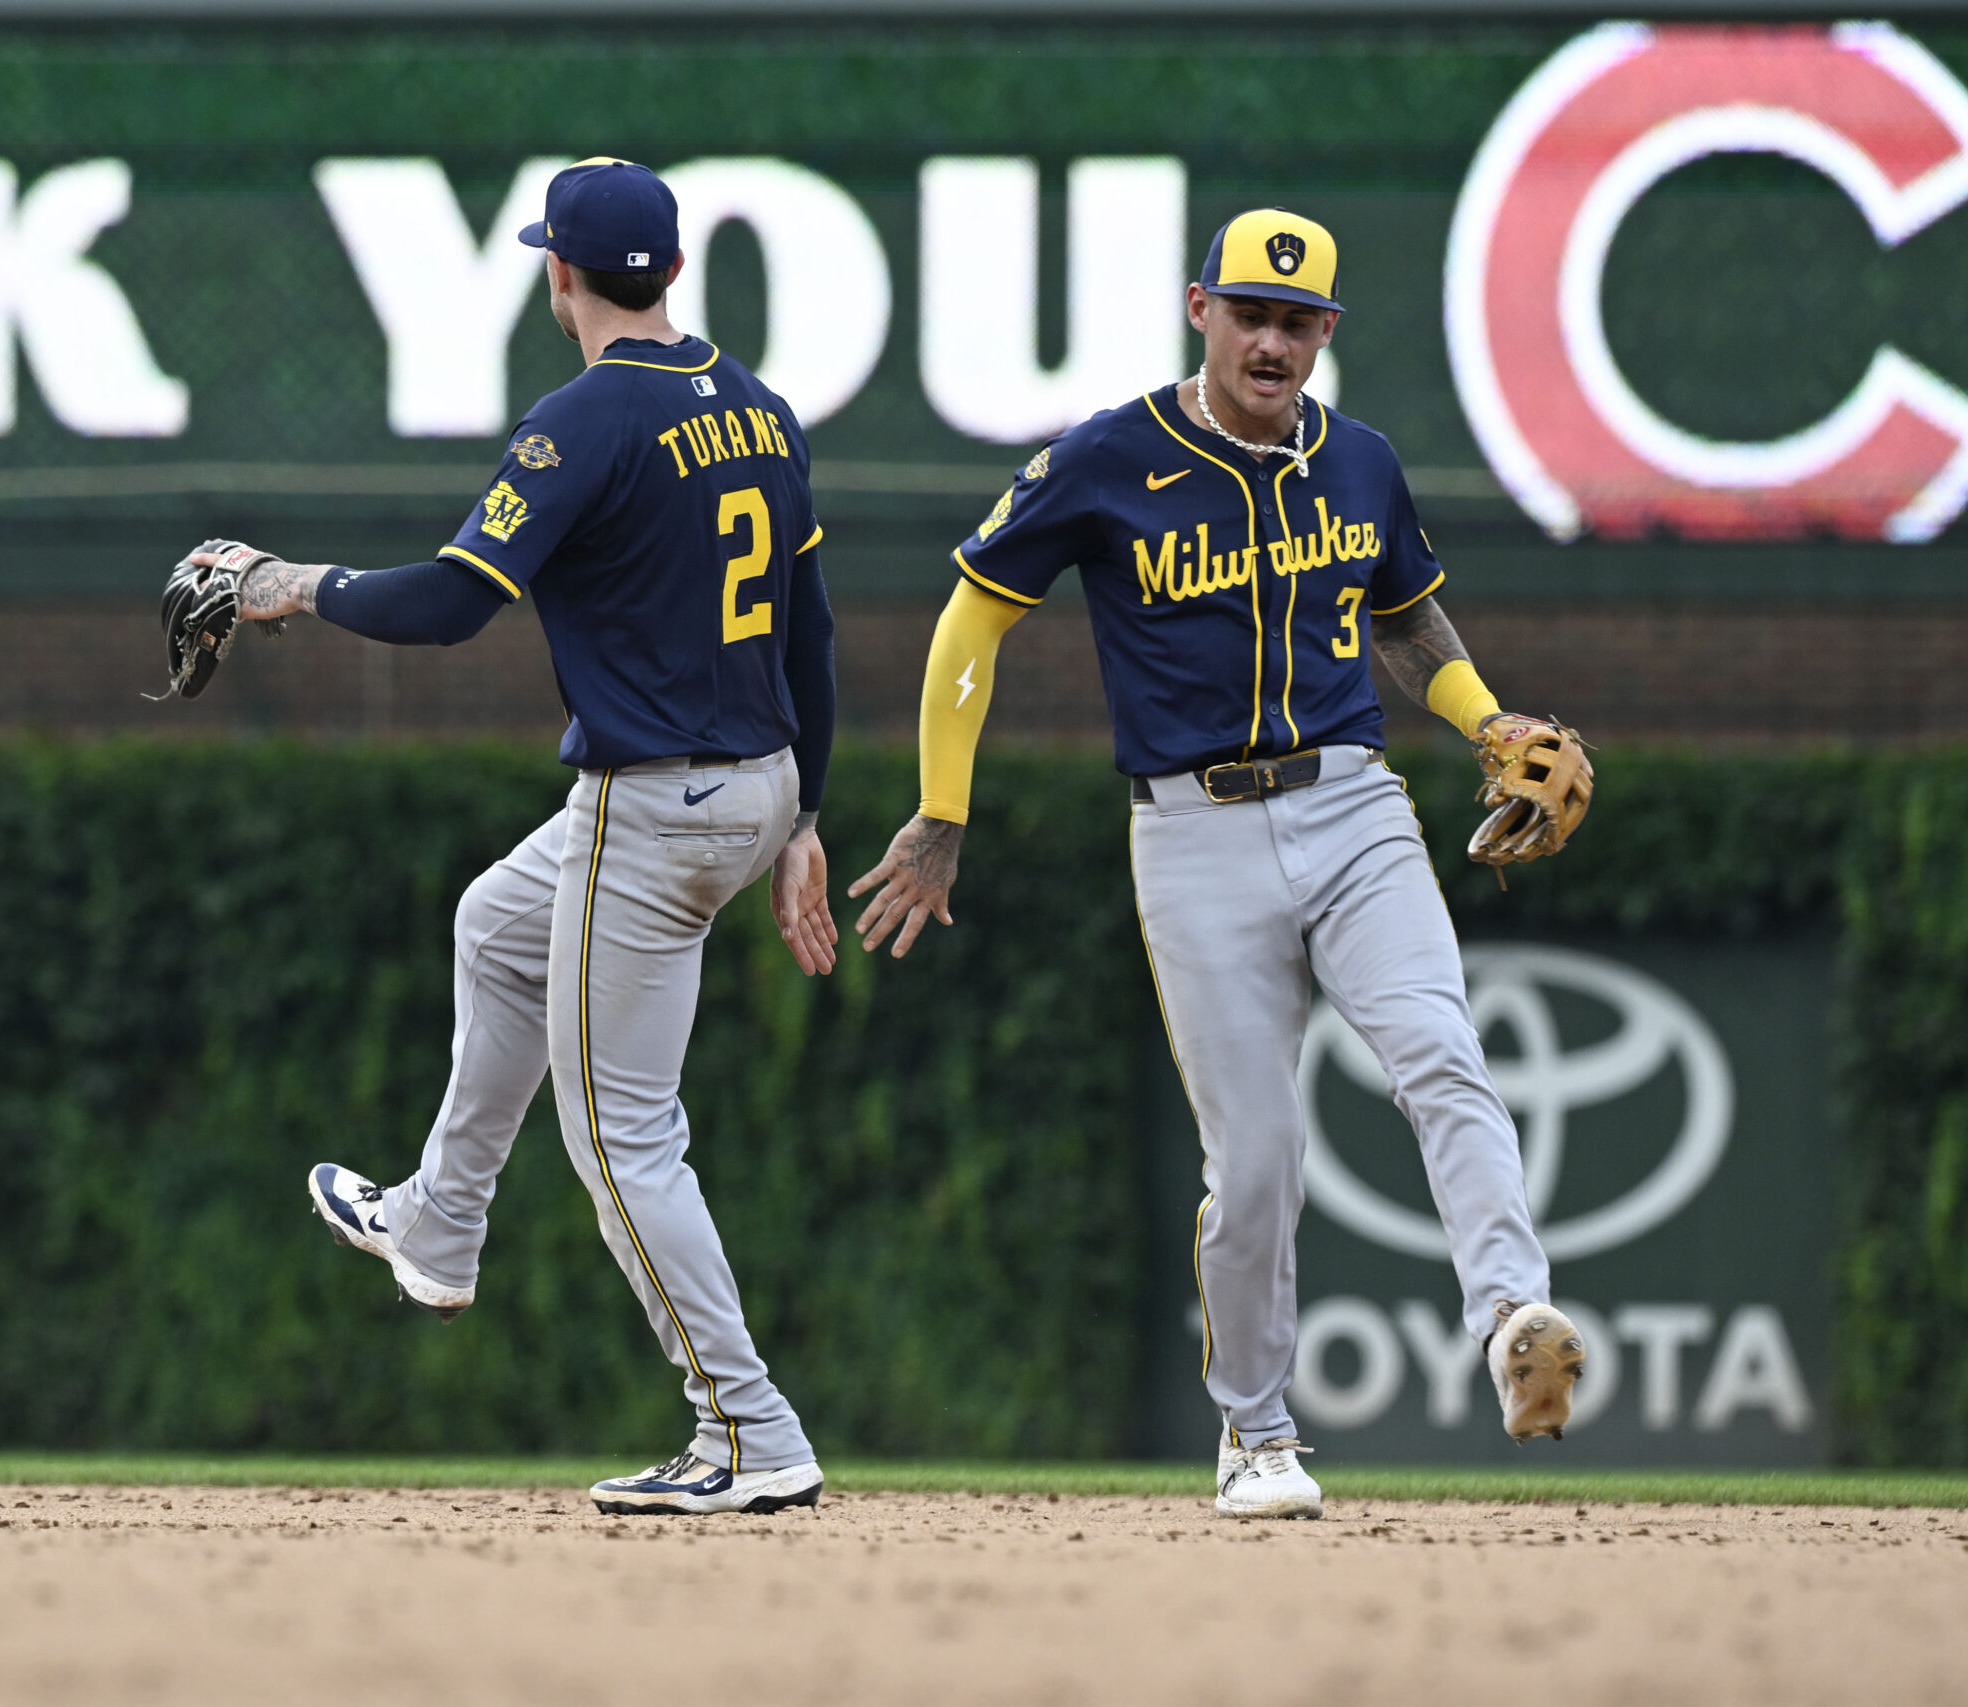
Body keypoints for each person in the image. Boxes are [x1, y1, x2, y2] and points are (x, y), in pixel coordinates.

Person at [848, 208, 1587, 1520]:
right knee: (1254, 1158)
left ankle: (1513, 1319)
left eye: (1298, 321)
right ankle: (1257, 1432)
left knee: (1443, 1056)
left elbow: (1407, 622)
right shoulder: (1108, 459)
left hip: (1355, 805)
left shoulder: (1358, 464)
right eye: (1251, 312)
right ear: (1202, 312)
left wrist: (1489, 721)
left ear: (1326, 336)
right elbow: (976, 608)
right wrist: (941, 810)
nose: (1273, 339)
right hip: (1192, 829)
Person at [197, 158, 840, 1516]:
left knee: (621, 1136)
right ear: (667, 272)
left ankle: (748, 1430)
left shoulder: (584, 421)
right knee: (496, 924)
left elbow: (446, 604)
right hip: (758, 782)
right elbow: (812, 631)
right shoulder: (762, 408)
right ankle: (439, 1217)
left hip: (654, 807)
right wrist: (809, 815)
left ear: (562, 275)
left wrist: (287, 587)